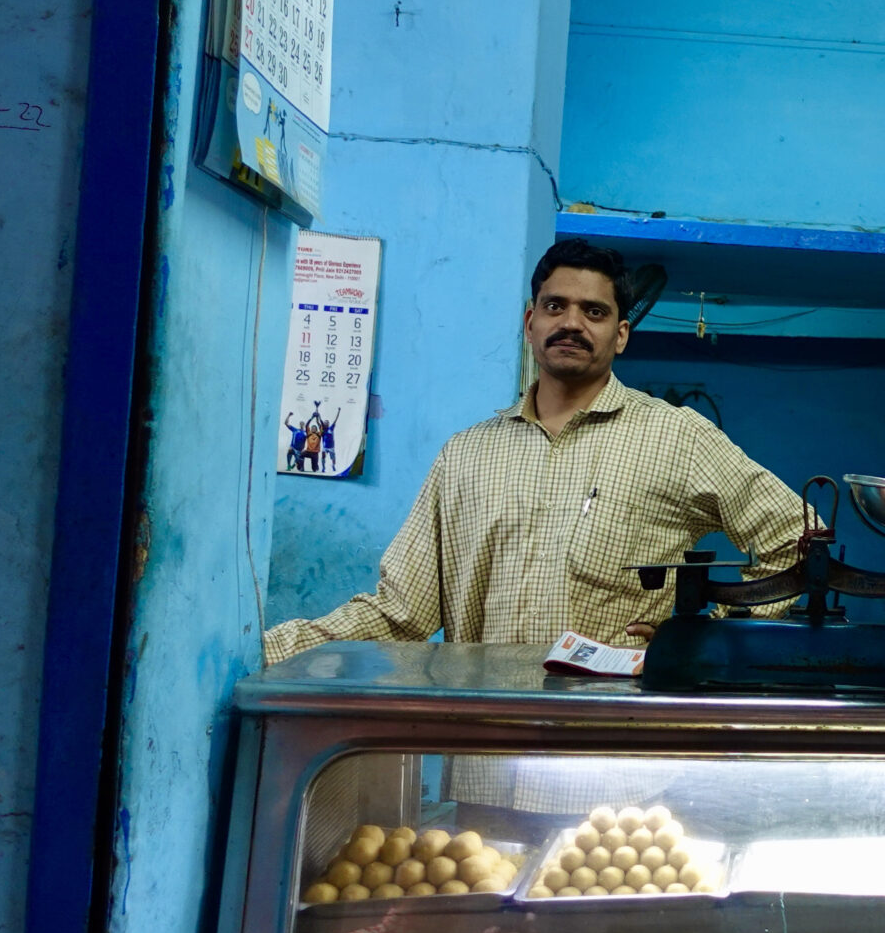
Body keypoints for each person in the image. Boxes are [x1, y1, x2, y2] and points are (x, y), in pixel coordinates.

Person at [263, 237, 810, 666]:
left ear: (621, 335)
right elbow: (402, 613)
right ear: (531, 323)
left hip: (616, 761)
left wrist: (707, 634)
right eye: (556, 306)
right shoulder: (466, 456)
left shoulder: (677, 439)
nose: (571, 322)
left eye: (594, 312)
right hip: (486, 755)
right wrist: (270, 649)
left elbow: (800, 541)